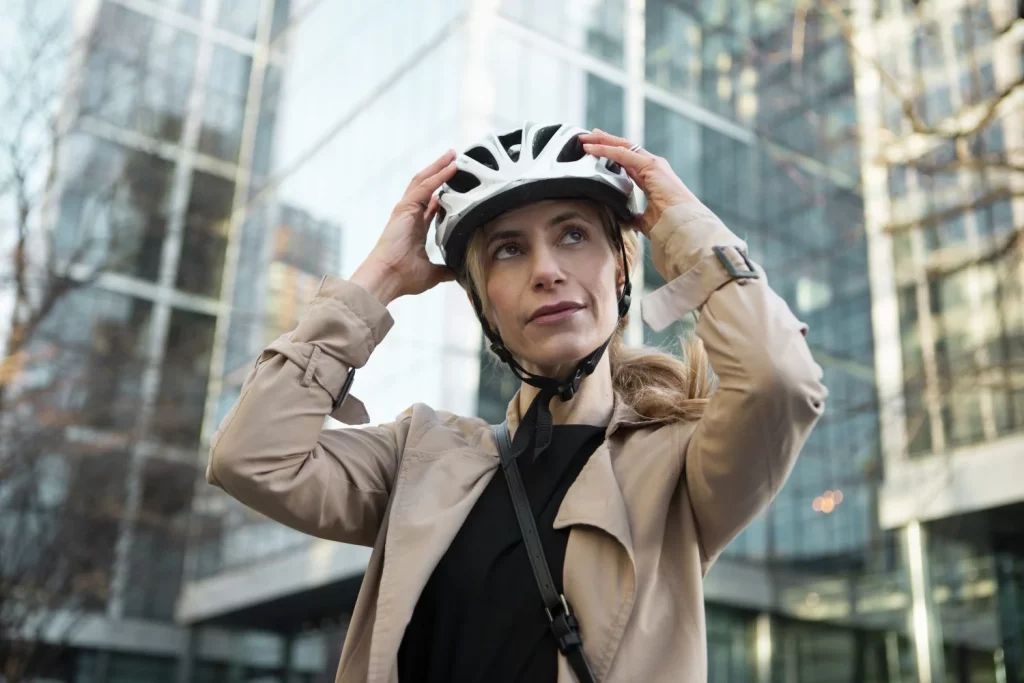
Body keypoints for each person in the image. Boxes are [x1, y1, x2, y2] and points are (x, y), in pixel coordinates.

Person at [207, 123, 827, 683]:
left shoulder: (681, 466)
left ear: (620, 268)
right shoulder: (418, 456)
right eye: (509, 249)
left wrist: (683, 223)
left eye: (574, 235)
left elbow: (779, 381)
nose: (546, 270)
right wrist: (382, 277)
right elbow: (251, 458)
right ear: (483, 302)